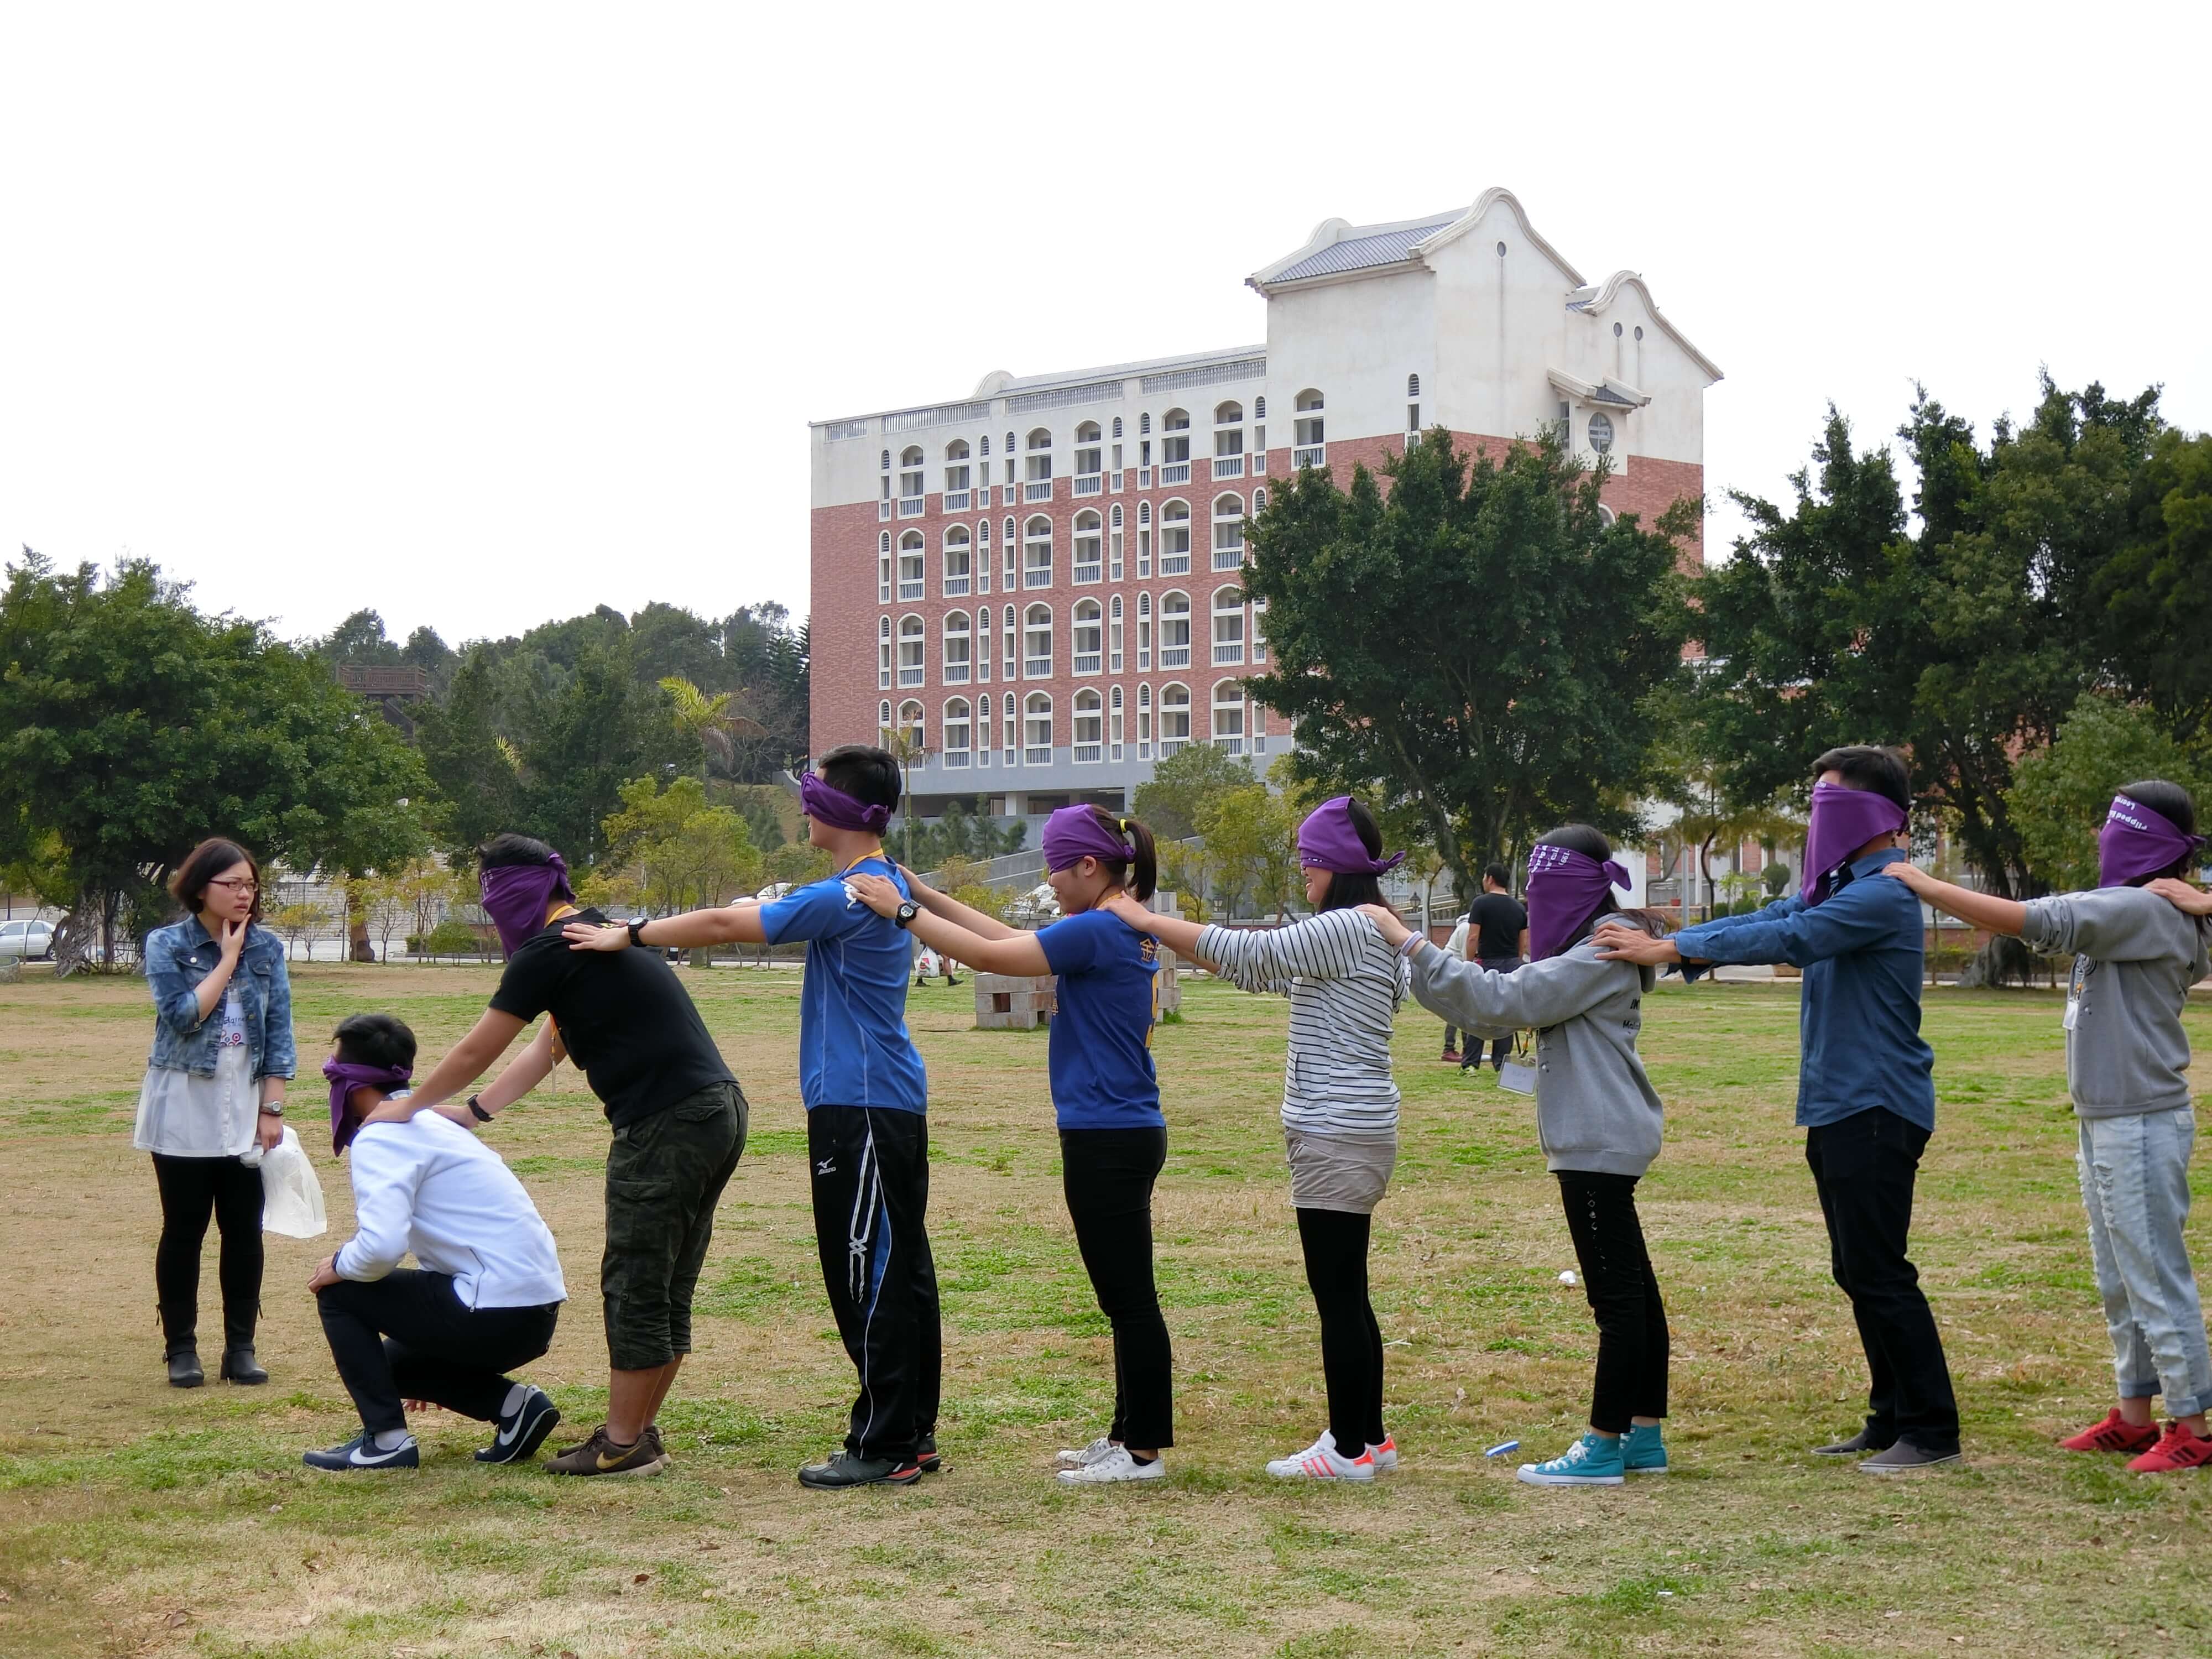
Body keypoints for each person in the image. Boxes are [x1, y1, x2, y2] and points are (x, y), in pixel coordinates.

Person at [564, 745, 940, 1490]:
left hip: (861, 1106)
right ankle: (910, 1433)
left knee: (866, 1274)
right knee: (898, 1272)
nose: (803, 807)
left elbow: (723, 923)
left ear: (839, 810)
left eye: (813, 794)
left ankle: (887, 1442)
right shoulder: (877, 885)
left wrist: (628, 934)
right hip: (881, 1101)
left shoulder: (850, 893)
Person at [1596, 744, 1962, 1474]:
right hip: (1839, 1105)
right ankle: (1890, 1417)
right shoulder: (1837, 888)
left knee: (1879, 1270)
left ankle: (1931, 1430)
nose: (1817, 819)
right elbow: (1776, 915)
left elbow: (1791, 937)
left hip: (1876, 1105)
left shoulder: (1884, 892)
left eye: (1831, 802)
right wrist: (1677, 941)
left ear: (1875, 814)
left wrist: (1668, 948)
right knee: (1855, 1268)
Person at [1882, 782, 2212, 1474]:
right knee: (2120, 1278)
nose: (2101, 838)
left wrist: (1924, 883)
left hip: (2139, 1120)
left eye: (2113, 827)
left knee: (2155, 1276)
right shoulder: (2140, 904)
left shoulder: (2140, 908)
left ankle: (2193, 1426)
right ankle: (2134, 1416)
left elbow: (2031, 919)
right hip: (2109, 1117)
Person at [405, 833, 747, 1479]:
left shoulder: (550, 950)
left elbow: (480, 1046)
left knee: (636, 1283)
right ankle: (637, 1434)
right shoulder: (594, 937)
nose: (492, 912)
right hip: (715, 1110)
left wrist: (407, 1106)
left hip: (666, 1120)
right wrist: (473, 1113)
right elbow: (549, 1048)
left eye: (491, 897)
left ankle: (620, 1444)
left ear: (513, 892)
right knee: (665, 1283)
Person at [848, 806, 1173, 1485]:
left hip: (1108, 1136)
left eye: (1056, 868)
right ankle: (1126, 1434)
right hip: (1120, 1129)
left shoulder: (1100, 928)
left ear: (1090, 866)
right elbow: (1010, 938)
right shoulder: (1114, 924)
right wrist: (927, 894)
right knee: (1124, 1296)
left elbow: (994, 958)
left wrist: (902, 912)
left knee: (1128, 1299)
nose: (1050, 881)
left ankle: (1141, 1450)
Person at [1103, 796, 1406, 1482]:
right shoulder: (1370, 928)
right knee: (1349, 1290)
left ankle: (1347, 1450)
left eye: (1309, 860)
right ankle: (1370, 1437)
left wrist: (1143, 918)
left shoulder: (1347, 926)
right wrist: (1181, 940)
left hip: (1334, 1129)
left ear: (1336, 864)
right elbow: (1255, 970)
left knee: (1336, 1294)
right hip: (1355, 1128)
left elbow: (1254, 951)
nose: (1303, 871)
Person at [1364, 827, 1673, 1486]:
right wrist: (1413, 961)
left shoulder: (1603, 947)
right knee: (1636, 1292)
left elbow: (1506, 999)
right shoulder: (1592, 948)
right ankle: (1642, 1435)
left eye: (1543, 887)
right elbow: (1487, 1015)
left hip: (1597, 1138)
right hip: (1598, 1135)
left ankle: (1603, 1445)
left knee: (1615, 1300)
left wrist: (1410, 941)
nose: (1534, 899)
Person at [304, 1014, 567, 1471]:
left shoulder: (382, 1136)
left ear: (350, 1082)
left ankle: (387, 1441)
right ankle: (516, 1407)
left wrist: (339, 1264)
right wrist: (432, 1352)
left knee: (340, 1292)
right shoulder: (437, 1123)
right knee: (389, 1365)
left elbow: (381, 1249)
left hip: (494, 1311)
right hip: (532, 1313)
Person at [136, 838, 295, 1389]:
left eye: (251, 884)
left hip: (246, 1102)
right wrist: (227, 959)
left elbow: (279, 1033)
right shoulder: (167, 944)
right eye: (233, 884)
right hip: (183, 1101)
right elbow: (182, 1016)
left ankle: (241, 1349)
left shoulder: (268, 948)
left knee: (244, 1229)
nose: (244, 894)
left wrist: (272, 1108)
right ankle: (181, 1349)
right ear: (201, 888)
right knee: (184, 1229)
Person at [1460, 862, 1530, 1073]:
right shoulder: (1519, 908)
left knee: (1478, 1011)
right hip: (1512, 963)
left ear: (1490, 879)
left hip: (1488, 963)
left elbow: (1473, 937)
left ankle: (1471, 1063)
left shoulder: (1481, 903)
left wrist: (1469, 962)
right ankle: (1501, 1063)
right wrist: (1516, 961)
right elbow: (1523, 943)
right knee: (1506, 1014)